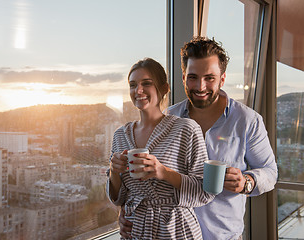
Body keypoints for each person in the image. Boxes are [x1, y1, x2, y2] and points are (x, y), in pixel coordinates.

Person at [118, 37, 278, 240]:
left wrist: (246, 182)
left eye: (209, 78)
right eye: (193, 77)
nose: (200, 87)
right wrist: (125, 211)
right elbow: (148, 181)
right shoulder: (168, 117)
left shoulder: (247, 120)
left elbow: (270, 172)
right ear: (183, 78)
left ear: (222, 78)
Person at [106, 57, 214, 239]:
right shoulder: (120, 135)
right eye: (133, 85)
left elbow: (205, 191)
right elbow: (119, 198)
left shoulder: (186, 129)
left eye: (146, 83)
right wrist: (113, 171)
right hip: (135, 229)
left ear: (164, 88)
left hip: (176, 230)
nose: (138, 90)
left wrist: (163, 172)